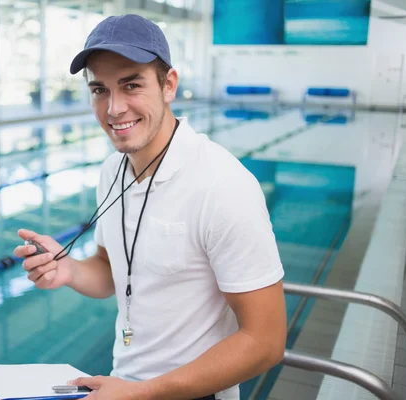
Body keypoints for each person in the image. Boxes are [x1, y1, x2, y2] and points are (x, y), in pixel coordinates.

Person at [14, 14, 286, 400]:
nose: (114, 108)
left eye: (132, 85)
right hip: (122, 384)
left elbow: (265, 341)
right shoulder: (113, 171)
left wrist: (142, 392)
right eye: (99, 90)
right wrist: (68, 269)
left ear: (168, 85)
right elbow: (111, 273)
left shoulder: (222, 184)